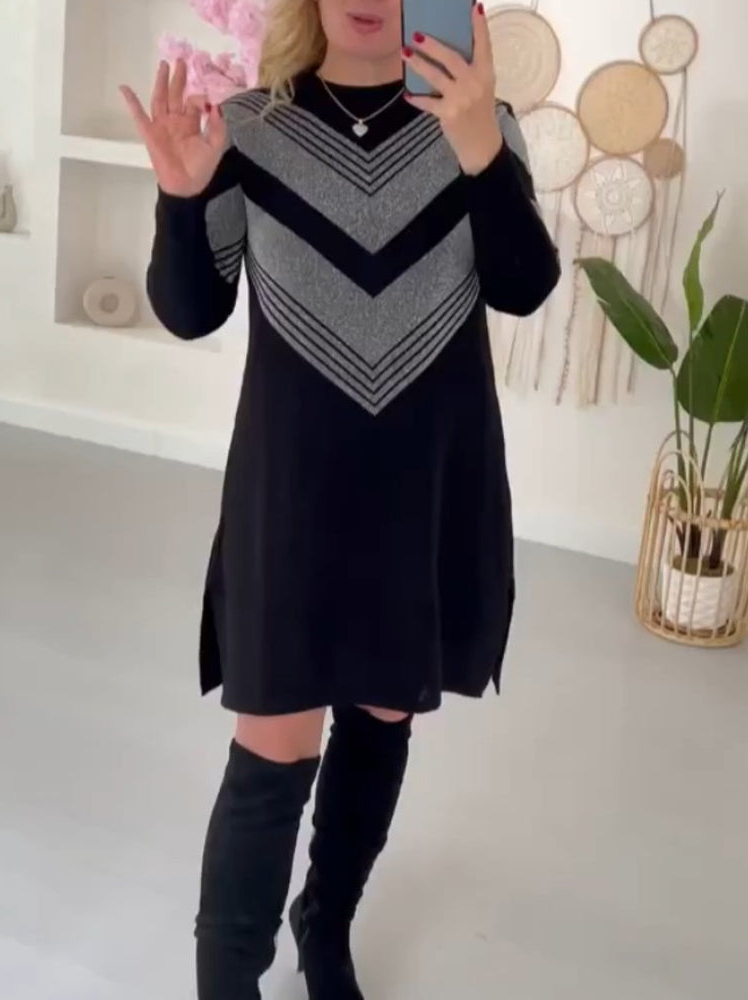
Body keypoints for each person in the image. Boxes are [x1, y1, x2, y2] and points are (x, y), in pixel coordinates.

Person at [121, 0, 559, 996]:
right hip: (291, 494)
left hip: (423, 488)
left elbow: (523, 286)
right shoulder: (247, 128)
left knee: (380, 717)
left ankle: (325, 923)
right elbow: (191, 311)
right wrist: (182, 201)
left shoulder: (480, 122)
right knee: (270, 751)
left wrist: (482, 151)